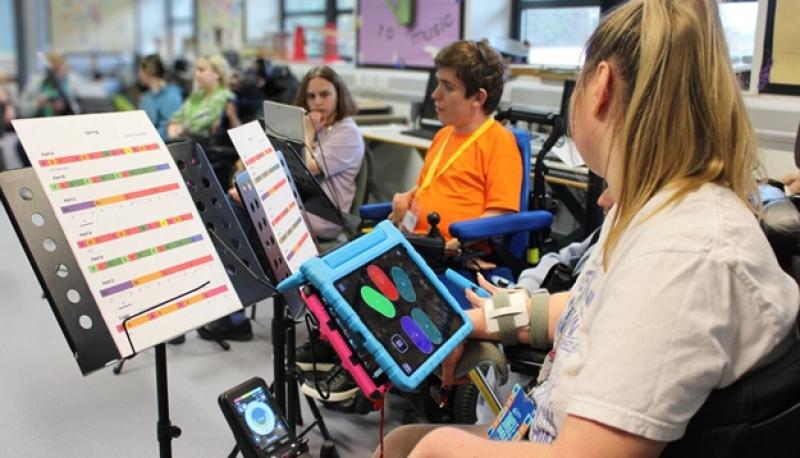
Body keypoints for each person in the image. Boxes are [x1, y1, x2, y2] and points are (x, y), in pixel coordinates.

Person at [376, 1, 799, 456]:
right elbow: (581, 307)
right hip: (547, 424)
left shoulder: (681, 253)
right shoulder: (647, 205)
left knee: (417, 445)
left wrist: (441, 446)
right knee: (400, 441)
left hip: (566, 442)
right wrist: (471, 323)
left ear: (600, 85)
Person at [389, 40, 522, 256]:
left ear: (478, 97)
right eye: (438, 83)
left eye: (448, 87)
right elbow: (432, 185)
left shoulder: (499, 141)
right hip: (416, 243)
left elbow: (500, 214)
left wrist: (461, 242)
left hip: (453, 253)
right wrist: (408, 197)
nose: (435, 95)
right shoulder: (444, 134)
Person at [295, 65, 364, 241]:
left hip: (323, 221)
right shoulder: (319, 125)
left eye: (324, 94)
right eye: (311, 96)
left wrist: (308, 132)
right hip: (302, 206)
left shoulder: (347, 132)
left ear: (338, 94)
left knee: (249, 215)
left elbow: (307, 168)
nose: (317, 102)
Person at [167, 54, 235, 141]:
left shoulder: (225, 96)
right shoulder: (197, 95)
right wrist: (173, 124)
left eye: (201, 70)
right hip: (188, 143)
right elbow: (177, 115)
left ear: (217, 74)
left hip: (206, 149)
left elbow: (201, 124)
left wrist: (180, 127)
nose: (196, 74)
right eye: (196, 70)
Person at [18, 52, 85, 118]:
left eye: (62, 64)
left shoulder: (72, 82)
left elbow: (79, 108)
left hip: (65, 121)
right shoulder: (36, 82)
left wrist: (64, 105)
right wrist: (38, 104)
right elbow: (21, 109)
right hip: (40, 121)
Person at [137, 54, 182, 140]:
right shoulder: (146, 97)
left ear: (147, 71)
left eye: (140, 71)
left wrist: (146, 139)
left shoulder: (171, 96)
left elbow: (169, 129)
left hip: (161, 144)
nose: (139, 75)